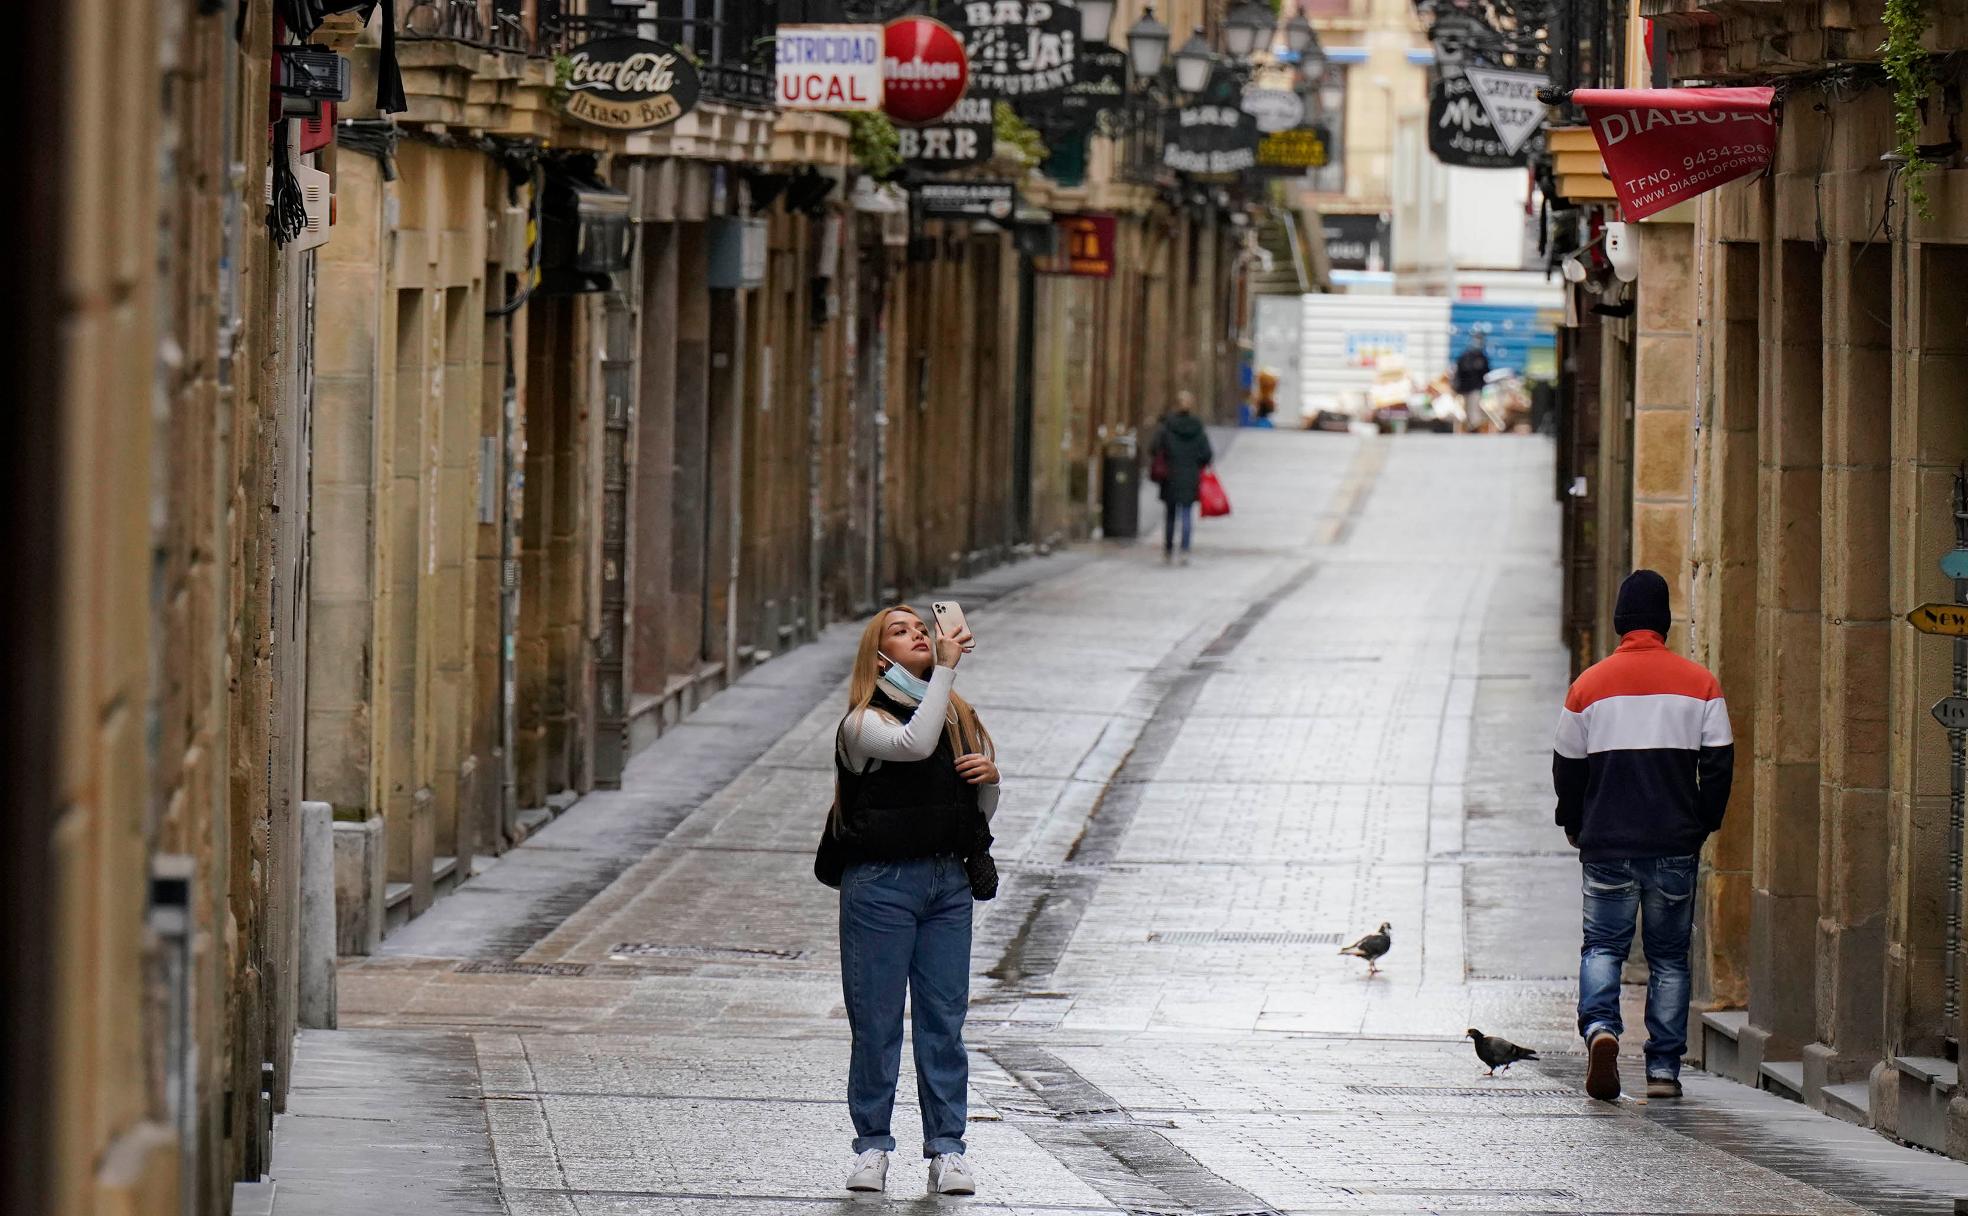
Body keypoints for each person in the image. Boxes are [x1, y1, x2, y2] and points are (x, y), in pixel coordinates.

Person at [833, 606, 1000, 1196]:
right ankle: (872, 1146)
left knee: (943, 1023)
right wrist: (946, 673)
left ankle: (948, 1151)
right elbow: (913, 742)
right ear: (880, 659)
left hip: (947, 882)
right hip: (881, 885)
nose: (919, 635)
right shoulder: (863, 722)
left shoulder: (957, 715)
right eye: (900, 632)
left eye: (922, 629)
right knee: (876, 1021)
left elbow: (976, 814)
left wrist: (990, 781)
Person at [1553, 570, 1733, 1103]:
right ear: (1664, 622)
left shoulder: (1588, 686)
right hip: (1673, 842)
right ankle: (1662, 1070)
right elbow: (1719, 765)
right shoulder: (1701, 684)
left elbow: (1567, 768)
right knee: (1670, 957)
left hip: (1607, 842)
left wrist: (1575, 823)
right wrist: (1703, 822)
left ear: (1619, 622)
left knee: (1603, 946)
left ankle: (1600, 1029)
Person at [1149, 391, 1214, 564]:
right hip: (1190, 475)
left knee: (1170, 514)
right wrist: (1196, 463)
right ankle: (1185, 550)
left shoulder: (1167, 426)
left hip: (1170, 475)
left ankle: (1168, 550)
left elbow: (1154, 448)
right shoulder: (1198, 428)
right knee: (1186, 513)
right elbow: (1207, 454)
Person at [1453, 334, 1491, 433]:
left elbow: (1486, 372)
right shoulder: (1465, 356)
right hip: (1465, 388)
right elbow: (1459, 372)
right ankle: (1469, 426)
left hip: (1476, 388)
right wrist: (1457, 386)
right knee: (1466, 409)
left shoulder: (1482, 358)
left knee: (1474, 407)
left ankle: (1475, 427)